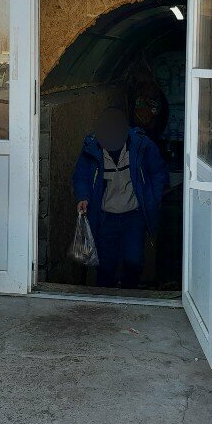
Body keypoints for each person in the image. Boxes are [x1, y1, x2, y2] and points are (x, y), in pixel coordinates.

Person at [72, 107, 167, 289]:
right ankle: (106, 300)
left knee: (134, 261)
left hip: (134, 216)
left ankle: (129, 295)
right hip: (105, 218)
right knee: (105, 266)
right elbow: (81, 176)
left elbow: (158, 172)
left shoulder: (141, 145)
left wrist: (153, 200)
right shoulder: (92, 148)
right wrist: (83, 197)